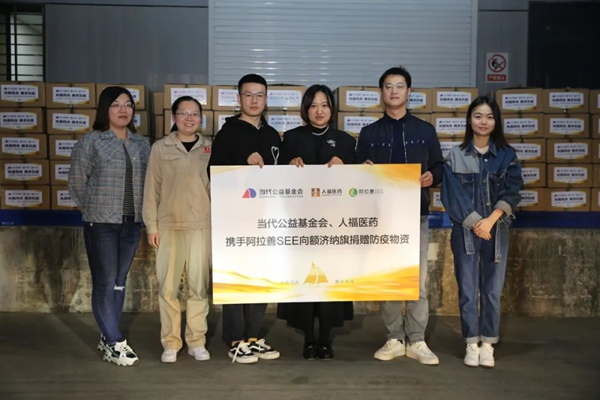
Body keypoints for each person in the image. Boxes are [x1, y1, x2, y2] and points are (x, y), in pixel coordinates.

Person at [356, 66, 443, 366]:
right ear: (381, 92)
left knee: (417, 281)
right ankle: (394, 337)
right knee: (391, 278)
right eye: (388, 86)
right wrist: (362, 169)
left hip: (416, 215)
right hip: (382, 217)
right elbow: (355, 173)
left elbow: (439, 166)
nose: (394, 91)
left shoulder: (424, 131)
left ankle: (417, 340)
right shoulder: (369, 133)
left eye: (400, 86)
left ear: (409, 92)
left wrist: (432, 176)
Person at [68, 86, 151, 366]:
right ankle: (115, 342)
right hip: (101, 223)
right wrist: (94, 209)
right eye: (116, 105)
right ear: (105, 109)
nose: (123, 110)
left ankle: (108, 336)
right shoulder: (92, 142)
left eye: (128, 105)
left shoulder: (142, 144)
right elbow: (77, 183)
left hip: (132, 222)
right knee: (105, 280)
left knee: (119, 281)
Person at [441, 95, 522, 368]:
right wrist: (477, 222)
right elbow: (451, 195)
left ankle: (487, 344)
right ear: (469, 120)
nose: (483, 122)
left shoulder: (507, 156)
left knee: (492, 290)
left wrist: (491, 220)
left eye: (489, 116)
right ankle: (470, 343)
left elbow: (513, 190)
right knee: (467, 289)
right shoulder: (455, 155)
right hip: (464, 231)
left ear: (496, 121)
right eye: (478, 116)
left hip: (497, 231)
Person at [276, 84, 356, 360]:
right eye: (313, 105)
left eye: (324, 105)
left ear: (332, 109)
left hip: (335, 225)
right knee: (305, 281)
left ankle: (325, 340)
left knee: (330, 283)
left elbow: (359, 184)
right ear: (305, 109)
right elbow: (276, 179)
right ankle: (309, 339)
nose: (319, 111)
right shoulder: (291, 139)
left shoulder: (345, 142)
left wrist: (347, 166)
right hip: (301, 224)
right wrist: (289, 165)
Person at [208, 73, 281, 364]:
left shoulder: (272, 135)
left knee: (260, 277)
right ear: (238, 99)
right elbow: (213, 174)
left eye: (259, 95)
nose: (254, 100)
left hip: (265, 218)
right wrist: (242, 162)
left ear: (266, 99)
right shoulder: (228, 133)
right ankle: (235, 340)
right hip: (235, 219)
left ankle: (253, 336)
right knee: (236, 278)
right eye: (248, 95)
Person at [142, 96, 212, 364]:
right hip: (169, 225)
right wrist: (152, 226)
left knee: (198, 287)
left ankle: (197, 341)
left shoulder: (210, 148)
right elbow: (152, 189)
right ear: (174, 118)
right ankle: (171, 342)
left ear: (201, 118)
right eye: (183, 113)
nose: (189, 118)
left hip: (201, 226)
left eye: (194, 114)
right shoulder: (161, 148)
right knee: (168, 288)